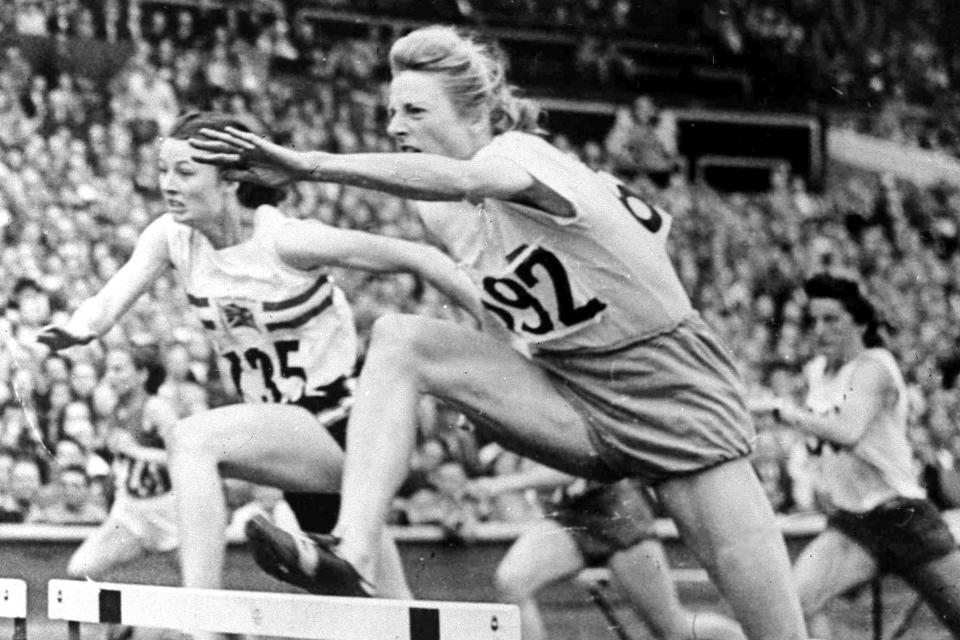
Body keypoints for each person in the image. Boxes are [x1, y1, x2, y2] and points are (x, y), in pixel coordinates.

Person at [190, 26, 809, 640]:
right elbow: (497, 300)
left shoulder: (519, 155)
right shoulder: (436, 211)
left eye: (414, 111)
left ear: (477, 113)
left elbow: (465, 179)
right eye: (389, 112)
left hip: (671, 391)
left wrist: (309, 165)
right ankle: (351, 553)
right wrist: (479, 387)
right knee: (401, 339)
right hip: (573, 392)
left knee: (774, 631)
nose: (395, 127)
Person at [37, 111, 481, 613]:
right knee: (389, 614)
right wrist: (81, 327)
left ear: (230, 181)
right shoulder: (172, 236)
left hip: (343, 429)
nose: (168, 186)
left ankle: (201, 617)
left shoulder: (288, 241)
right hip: (286, 443)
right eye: (163, 171)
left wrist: (498, 327)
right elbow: (111, 296)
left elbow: (422, 257)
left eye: (184, 173)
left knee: (192, 440)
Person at [751, 273, 960, 639]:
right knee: (793, 607)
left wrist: (784, 410)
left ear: (859, 322)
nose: (819, 329)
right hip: (854, 525)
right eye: (813, 320)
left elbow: (848, 431)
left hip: (903, 517)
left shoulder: (874, 367)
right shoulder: (817, 370)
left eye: (831, 319)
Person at [466, 466, 746, 640]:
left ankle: (753, 637)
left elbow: (571, 469)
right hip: (572, 515)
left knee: (674, 630)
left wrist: (499, 485)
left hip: (618, 515)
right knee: (511, 582)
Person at [66, 345, 177, 579]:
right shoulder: (116, 408)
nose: (110, 376)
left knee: (197, 586)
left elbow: (185, 457)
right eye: (108, 370)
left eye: (118, 369)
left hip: (168, 509)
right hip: (131, 510)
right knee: (80, 569)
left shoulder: (157, 408)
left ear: (142, 374)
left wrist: (137, 451)